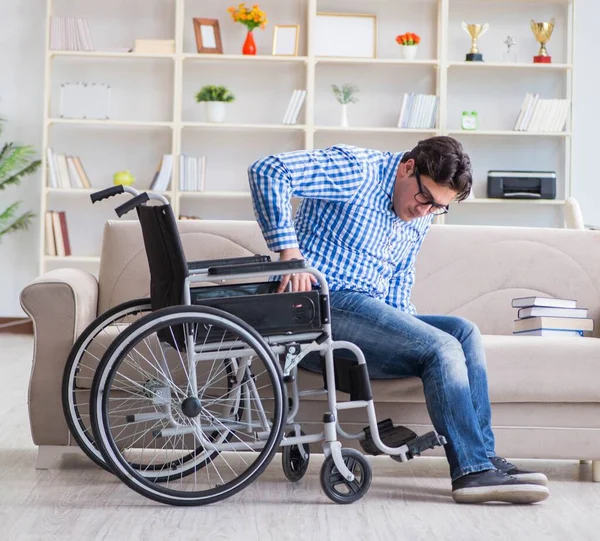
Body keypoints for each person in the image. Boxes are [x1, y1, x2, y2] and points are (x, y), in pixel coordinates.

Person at [247, 136, 549, 504]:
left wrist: (409, 334)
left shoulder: (421, 213)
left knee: (462, 333)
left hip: (365, 315)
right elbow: (269, 170)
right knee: (441, 346)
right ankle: (470, 472)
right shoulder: (357, 170)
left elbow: (398, 282)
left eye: (439, 207)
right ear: (408, 168)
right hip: (317, 308)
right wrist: (289, 254)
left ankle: (483, 457)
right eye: (425, 198)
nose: (426, 211)